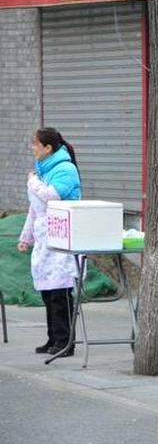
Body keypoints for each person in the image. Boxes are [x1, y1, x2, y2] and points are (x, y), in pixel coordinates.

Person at [17, 127, 82, 357]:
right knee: (47, 291)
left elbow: (51, 195)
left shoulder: (65, 169)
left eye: (36, 144)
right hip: (45, 237)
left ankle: (66, 341)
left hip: (63, 236)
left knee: (60, 292)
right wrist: (26, 237)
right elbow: (35, 210)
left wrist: (32, 182)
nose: (32, 148)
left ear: (48, 148)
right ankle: (53, 338)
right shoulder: (42, 171)